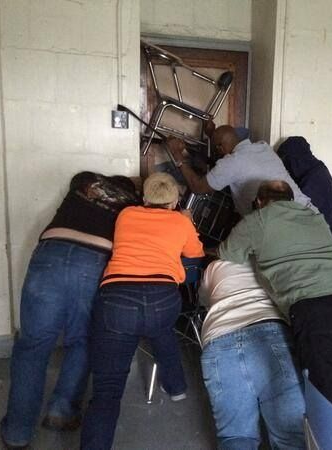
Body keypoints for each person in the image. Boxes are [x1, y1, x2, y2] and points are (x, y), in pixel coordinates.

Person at [218, 180, 332, 437]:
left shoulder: (259, 219)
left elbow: (227, 253)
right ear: (291, 200)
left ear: (259, 202)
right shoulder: (314, 217)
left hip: (323, 308)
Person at [1, 172, 139, 449]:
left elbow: (80, 176)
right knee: (83, 341)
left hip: (51, 253)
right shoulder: (132, 207)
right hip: (96, 260)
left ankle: (17, 432)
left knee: (32, 346)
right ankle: (61, 413)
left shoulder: (84, 182)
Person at [80, 172, 204, 450]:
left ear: (145, 198)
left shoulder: (126, 214)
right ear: (174, 201)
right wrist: (186, 221)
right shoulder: (180, 221)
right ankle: (176, 388)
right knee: (161, 331)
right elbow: (195, 254)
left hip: (117, 297)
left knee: (107, 390)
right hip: (163, 298)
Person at [199, 259, 305, 449]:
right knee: (290, 435)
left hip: (220, 337)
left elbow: (204, 300)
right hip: (272, 332)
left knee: (236, 437)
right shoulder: (270, 258)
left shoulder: (214, 266)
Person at [166, 126, 314, 216]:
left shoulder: (231, 163)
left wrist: (177, 155)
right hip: (309, 213)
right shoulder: (263, 147)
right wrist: (213, 133)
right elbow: (228, 149)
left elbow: (198, 187)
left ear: (220, 148)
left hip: (288, 224)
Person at [277, 136, 332, 238]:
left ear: (295, 160)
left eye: (288, 162)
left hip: (325, 243)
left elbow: (298, 212)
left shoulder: (315, 177)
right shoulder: (314, 171)